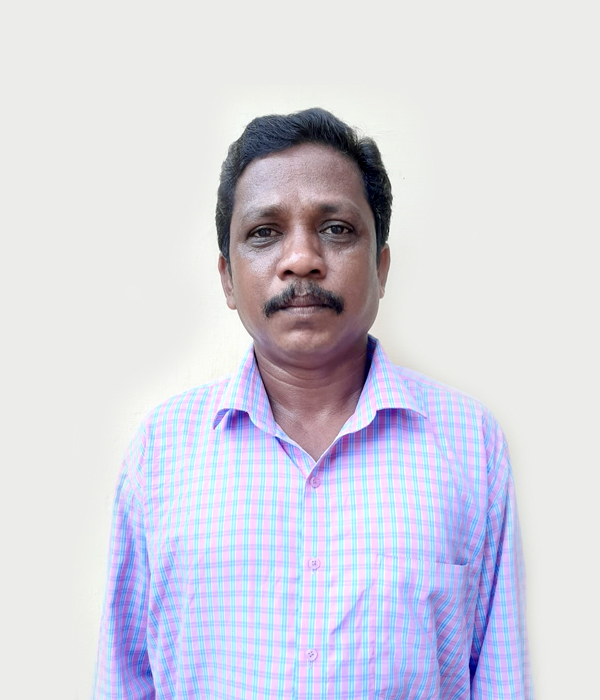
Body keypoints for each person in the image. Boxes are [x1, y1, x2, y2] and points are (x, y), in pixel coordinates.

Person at [93, 108, 531, 699]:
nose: (301, 258)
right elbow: (124, 680)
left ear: (381, 267)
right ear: (227, 278)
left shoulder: (468, 443)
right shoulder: (162, 449)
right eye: (264, 232)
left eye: (336, 228)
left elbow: (500, 681)